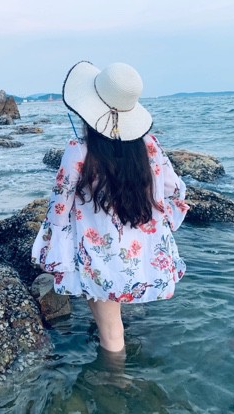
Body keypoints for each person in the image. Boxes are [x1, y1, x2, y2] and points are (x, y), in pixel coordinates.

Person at [32, 61, 189, 353]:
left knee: (112, 334)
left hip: (99, 256)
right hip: (140, 255)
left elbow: (59, 208)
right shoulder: (149, 145)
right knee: (114, 324)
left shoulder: (79, 150)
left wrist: (50, 251)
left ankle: (115, 378)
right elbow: (175, 190)